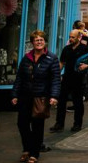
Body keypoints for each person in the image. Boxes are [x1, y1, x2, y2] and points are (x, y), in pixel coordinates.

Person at [12, 30, 60, 163]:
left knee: (37, 126)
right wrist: (15, 94)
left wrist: (54, 96)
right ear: (32, 42)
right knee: (22, 124)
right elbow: (19, 78)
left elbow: (56, 79)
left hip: (41, 97)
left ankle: (34, 154)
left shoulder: (52, 58)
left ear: (45, 42)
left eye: (41, 40)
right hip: (25, 97)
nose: (39, 42)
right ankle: (26, 149)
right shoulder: (26, 58)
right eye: (36, 40)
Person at [49, 30, 88, 133]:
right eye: (70, 37)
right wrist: (56, 74)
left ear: (79, 37)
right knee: (61, 101)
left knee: (77, 102)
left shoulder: (84, 49)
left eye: (73, 37)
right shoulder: (66, 49)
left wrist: (86, 65)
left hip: (78, 79)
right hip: (67, 78)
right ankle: (59, 124)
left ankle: (77, 124)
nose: (71, 39)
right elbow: (62, 63)